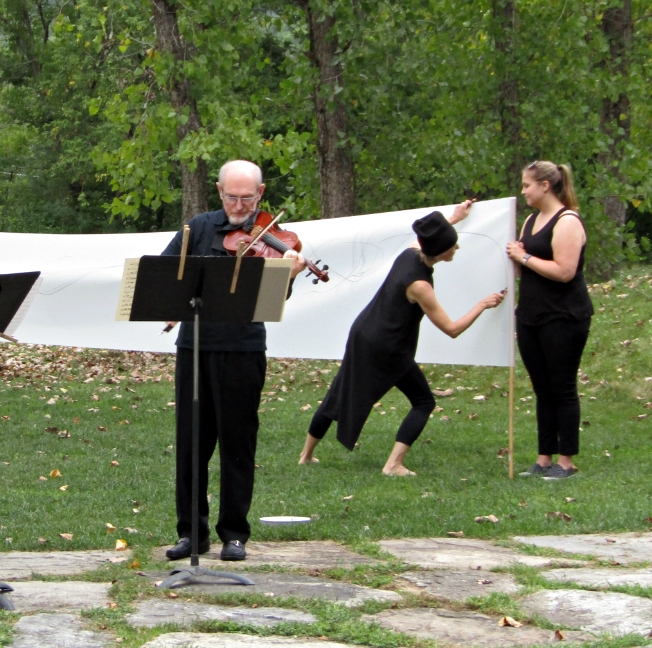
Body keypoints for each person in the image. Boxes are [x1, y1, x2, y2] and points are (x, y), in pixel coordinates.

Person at [160, 160, 307, 562]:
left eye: (247, 198)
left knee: (238, 445)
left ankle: (234, 534)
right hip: (195, 349)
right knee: (191, 444)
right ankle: (192, 533)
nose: (239, 205)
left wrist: (288, 275)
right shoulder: (199, 227)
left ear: (260, 195)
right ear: (219, 192)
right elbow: (164, 270)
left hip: (243, 348)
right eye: (231, 197)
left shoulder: (275, 238)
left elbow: (275, 302)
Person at [299, 203, 505, 476]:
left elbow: (428, 237)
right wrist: (483, 304)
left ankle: (306, 457)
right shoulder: (420, 285)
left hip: (364, 333)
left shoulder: (411, 253)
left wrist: (455, 218)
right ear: (441, 250)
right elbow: (452, 329)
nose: (457, 248)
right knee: (424, 401)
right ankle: (393, 465)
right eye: (453, 245)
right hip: (387, 347)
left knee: (338, 392)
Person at [506, 161, 593, 480]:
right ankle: (544, 458)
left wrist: (524, 257)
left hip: (564, 315)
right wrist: (514, 259)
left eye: (527, 185)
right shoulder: (530, 220)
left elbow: (564, 271)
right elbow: (524, 268)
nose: (523, 190)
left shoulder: (567, 220)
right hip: (531, 315)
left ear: (545, 186)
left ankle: (566, 461)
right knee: (542, 388)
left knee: (562, 386)